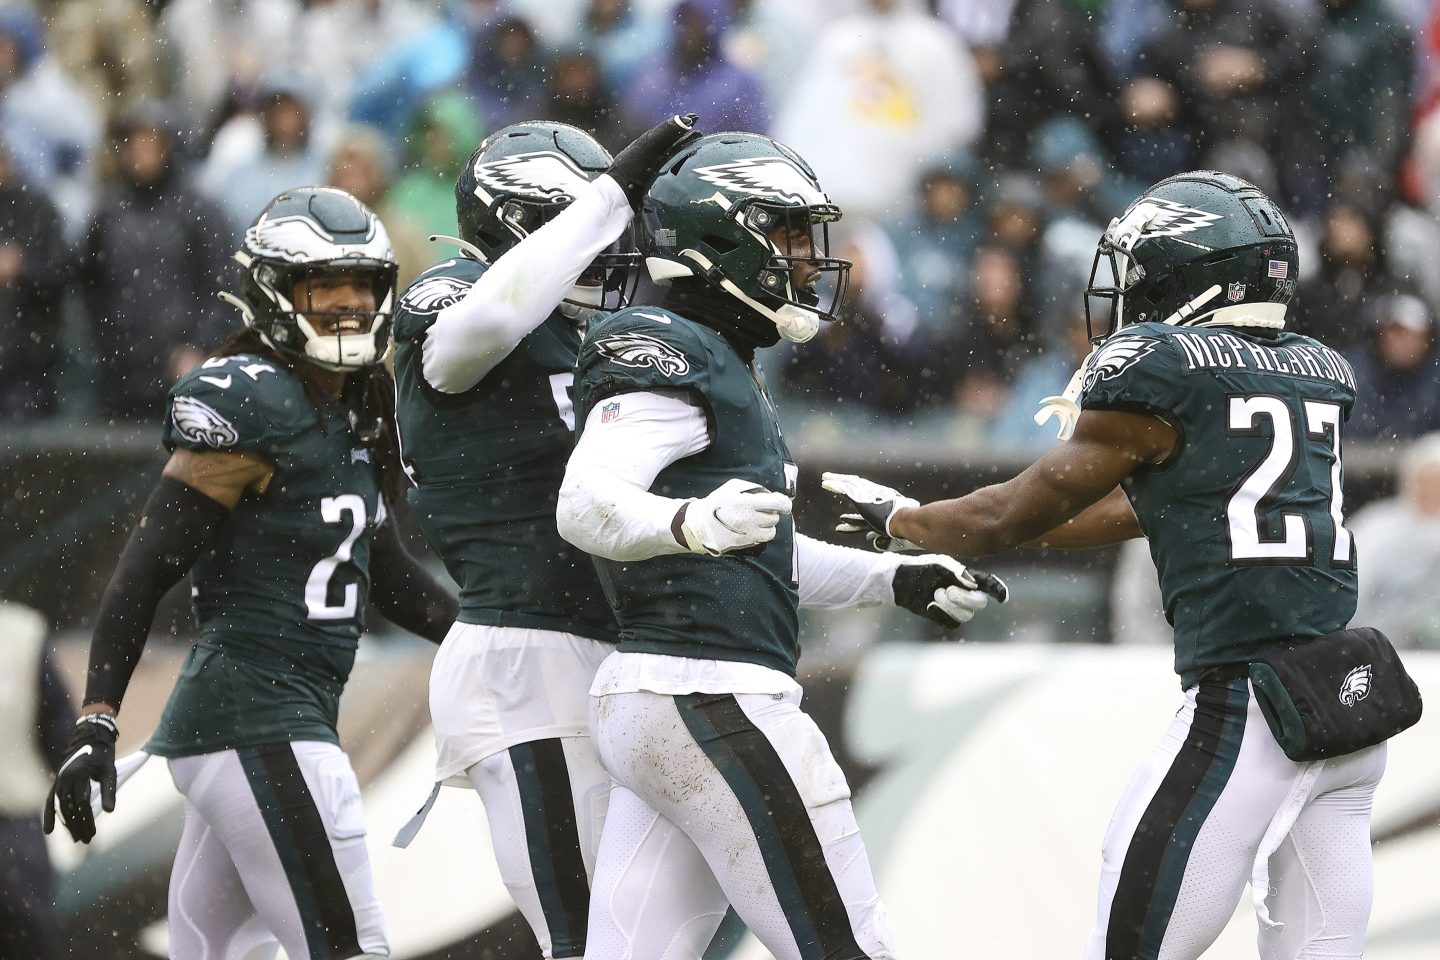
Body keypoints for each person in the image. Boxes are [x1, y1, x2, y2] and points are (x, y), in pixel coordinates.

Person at [823, 171, 1389, 960]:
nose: (1130, 295)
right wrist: (949, 532)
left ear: (1194, 278)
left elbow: (1011, 511)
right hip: (1345, 710)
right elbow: (1141, 510)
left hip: (1247, 709)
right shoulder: (1317, 367)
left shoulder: (1165, 365)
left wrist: (903, 519)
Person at [555, 131, 1007, 960]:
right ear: (722, 236)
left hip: (661, 696)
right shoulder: (670, 347)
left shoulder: (721, 358)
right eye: (790, 235)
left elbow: (754, 550)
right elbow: (584, 503)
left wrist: (889, 580)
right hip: (710, 690)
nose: (807, 259)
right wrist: (687, 523)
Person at [45, 187, 458, 960]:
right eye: (322, 286)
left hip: (245, 730)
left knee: (220, 950)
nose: (345, 305)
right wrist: (97, 715)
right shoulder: (247, 401)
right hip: (264, 725)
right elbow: (143, 572)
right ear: (275, 291)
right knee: (348, 949)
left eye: (360, 285)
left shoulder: (355, 404)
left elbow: (386, 572)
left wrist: (482, 638)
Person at [389, 114, 702, 960]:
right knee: (582, 937)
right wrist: (605, 198)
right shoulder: (448, 294)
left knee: (645, 936)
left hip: (605, 648)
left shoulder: (579, 329)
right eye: (586, 231)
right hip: (523, 658)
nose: (606, 250)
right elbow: (471, 339)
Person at [0, 601, 74, 960]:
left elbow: (57, 724)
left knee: (28, 935)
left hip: (14, 826)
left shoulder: (20, 632)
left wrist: (78, 792)